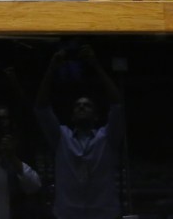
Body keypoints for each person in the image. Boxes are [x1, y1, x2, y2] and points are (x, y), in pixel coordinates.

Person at [34, 46, 124, 219]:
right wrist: (51, 68)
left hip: (103, 215)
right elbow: (41, 108)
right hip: (68, 214)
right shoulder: (61, 137)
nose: (81, 106)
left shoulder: (107, 137)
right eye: (77, 105)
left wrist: (96, 65)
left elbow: (117, 106)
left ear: (97, 116)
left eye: (87, 105)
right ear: (72, 117)